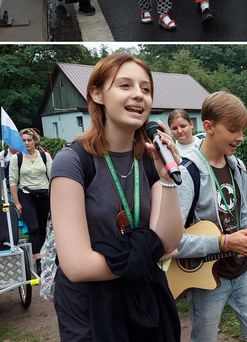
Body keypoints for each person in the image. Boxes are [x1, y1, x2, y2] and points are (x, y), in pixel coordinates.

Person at [50, 53, 183, 340]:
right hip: (88, 308)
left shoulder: (150, 159)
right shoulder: (72, 162)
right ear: (97, 94)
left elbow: (170, 242)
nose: (138, 95)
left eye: (145, 89)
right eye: (125, 86)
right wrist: (148, 255)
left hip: (143, 298)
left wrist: (166, 181)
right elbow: (76, 265)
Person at [174, 92, 247, 342]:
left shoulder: (238, 167)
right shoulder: (187, 173)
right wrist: (224, 242)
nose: (240, 137)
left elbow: (244, 216)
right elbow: (173, 242)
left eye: (242, 130)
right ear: (208, 127)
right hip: (207, 280)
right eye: (233, 130)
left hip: (242, 273)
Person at [8, 128, 52, 261]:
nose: (26, 143)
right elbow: (13, 181)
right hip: (26, 195)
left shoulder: (45, 156)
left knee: (45, 226)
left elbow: (52, 177)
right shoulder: (17, 158)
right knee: (33, 227)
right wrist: (16, 203)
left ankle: (47, 256)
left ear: (35, 141)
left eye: (29, 140)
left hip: (45, 194)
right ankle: (37, 258)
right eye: (23, 140)